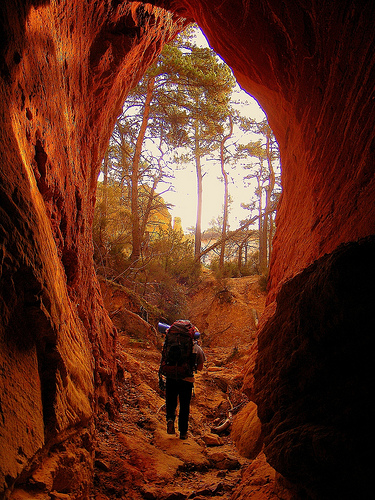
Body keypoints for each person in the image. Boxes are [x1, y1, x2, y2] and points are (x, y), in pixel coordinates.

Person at [159, 320, 205, 440]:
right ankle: (183, 432)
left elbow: (164, 356)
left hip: (171, 376)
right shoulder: (196, 347)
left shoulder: (169, 342)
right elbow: (200, 367)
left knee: (171, 401)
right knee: (184, 405)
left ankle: (170, 419)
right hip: (187, 379)